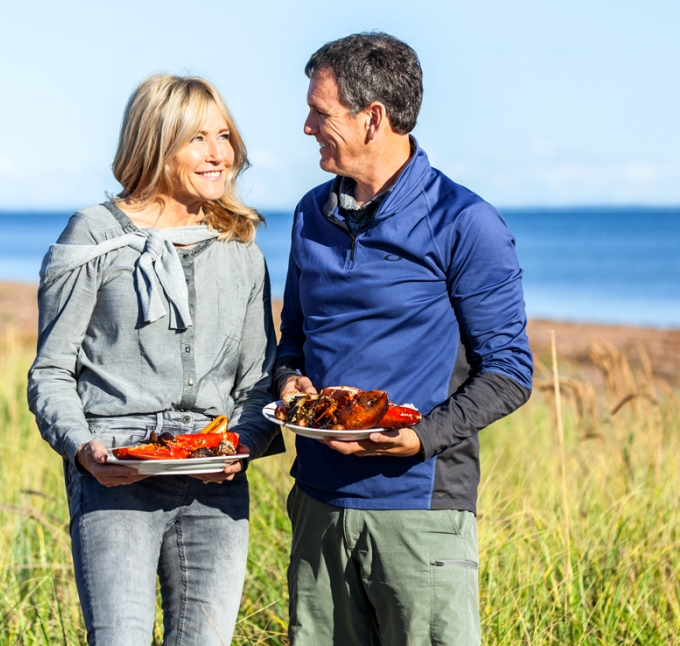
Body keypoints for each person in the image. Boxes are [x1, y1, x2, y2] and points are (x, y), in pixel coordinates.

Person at [276, 32, 534, 646]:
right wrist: (288, 379)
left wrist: (420, 439)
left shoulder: (466, 222)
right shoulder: (310, 214)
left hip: (419, 511)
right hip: (317, 505)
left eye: (320, 111)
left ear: (373, 119)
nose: (307, 126)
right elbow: (293, 338)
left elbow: (509, 371)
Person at [29, 74, 282, 646]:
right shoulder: (93, 235)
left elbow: (258, 381)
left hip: (214, 473)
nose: (220, 153)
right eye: (198, 138)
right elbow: (50, 373)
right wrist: (82, 450)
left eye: (224, 135)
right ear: (155, 144)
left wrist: (243, 445)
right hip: (116, 469)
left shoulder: (241, 245)